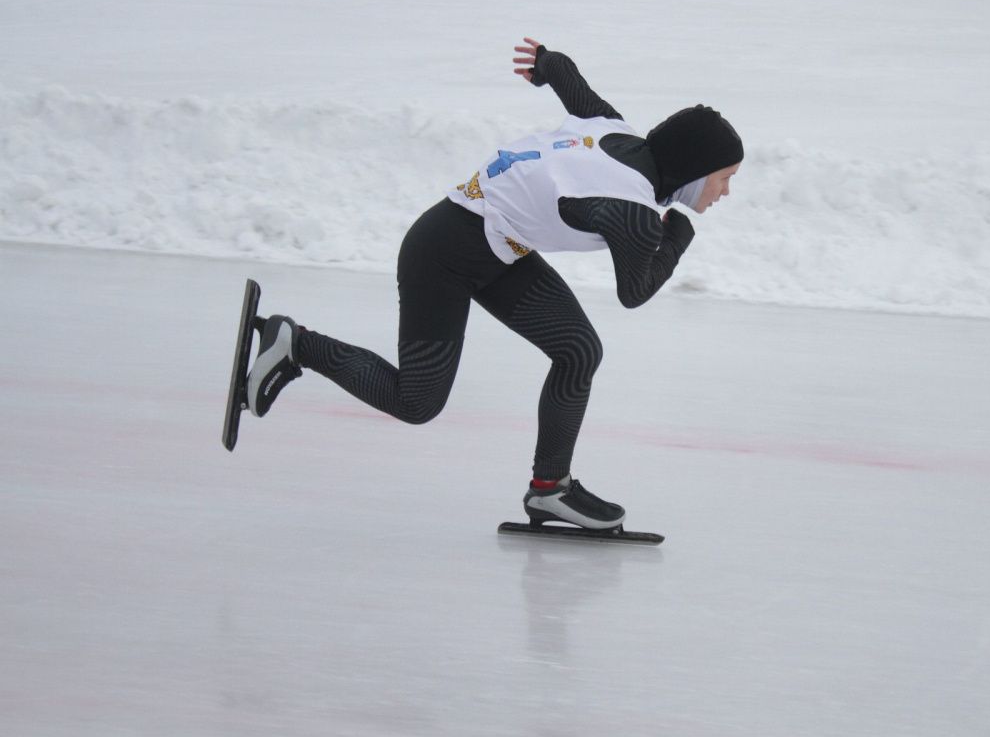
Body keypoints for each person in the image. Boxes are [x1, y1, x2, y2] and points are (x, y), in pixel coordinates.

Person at [245, 38, 743, 530]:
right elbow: (635, 292)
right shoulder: (632, 208)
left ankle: (551, 490)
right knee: (415, 403)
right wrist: (677, 235)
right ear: (695, 172)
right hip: (442, 252)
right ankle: (295, 345)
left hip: (498, 249)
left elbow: (572, 81)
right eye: (724, 178)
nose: (725, 192)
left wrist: (545, 62)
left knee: (578, 351)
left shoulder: (613, 126)